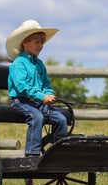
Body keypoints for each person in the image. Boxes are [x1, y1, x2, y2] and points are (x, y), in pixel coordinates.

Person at [6, 19, 69, 157]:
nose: (40, 46)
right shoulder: (18, 63)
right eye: (37, 42)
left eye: (42, 43)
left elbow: (46, 84)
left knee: (61, 119)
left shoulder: (40, 64)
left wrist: (49, 94)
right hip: (21, 101)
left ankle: (59, 152)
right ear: (24, 42)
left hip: (38, 102)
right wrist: (42, 97)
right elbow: (22, 86)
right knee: (37, 117)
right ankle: (32, 154)